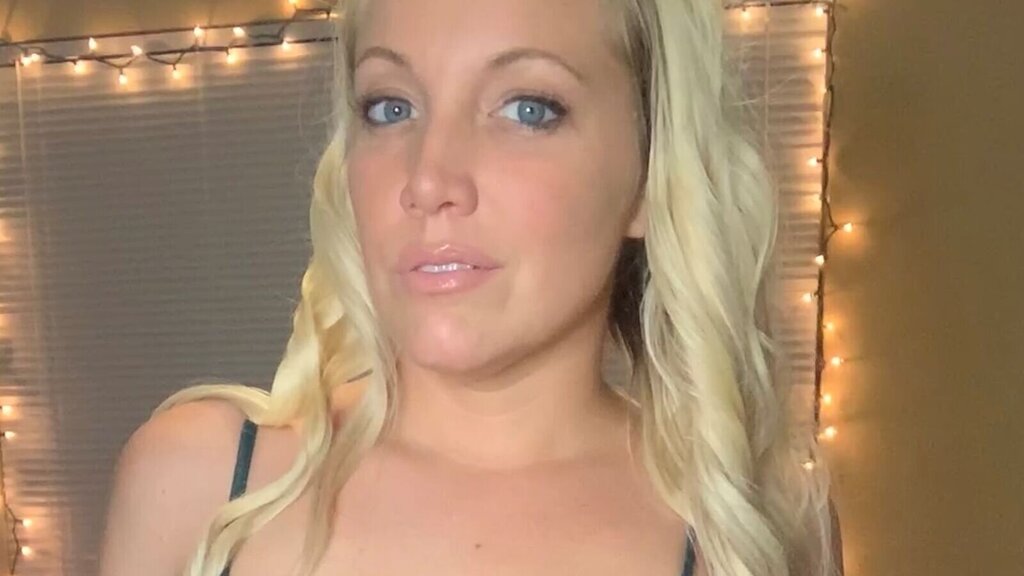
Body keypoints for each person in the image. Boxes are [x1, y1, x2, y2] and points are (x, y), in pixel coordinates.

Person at [98, 0, 844, 575]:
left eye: (528, 109)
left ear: (651, 173)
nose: (428, 180)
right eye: (390, 107)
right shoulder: (199, 484)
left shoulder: (758, 524)